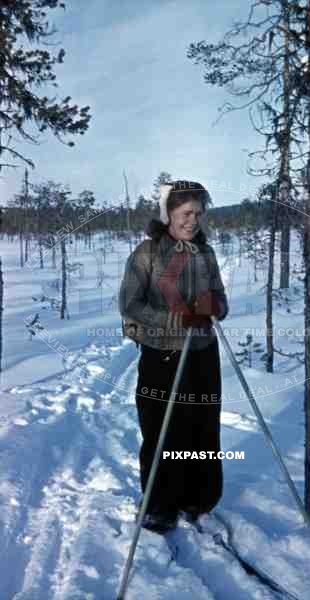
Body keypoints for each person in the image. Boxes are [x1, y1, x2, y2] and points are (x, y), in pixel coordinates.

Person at [118, 180, 229, 533]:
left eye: (198, 213)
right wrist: (177, 319)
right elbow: (130, 307)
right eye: (186, 213)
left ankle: (198, 497)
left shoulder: (206, 253)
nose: (193, 220)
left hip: (202, 354)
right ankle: (159, 504)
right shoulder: (147, 254)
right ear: (169, 213)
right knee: (163, 430)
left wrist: (215, 306)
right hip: (161, 356)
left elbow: (221, 302)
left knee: (202, 428)